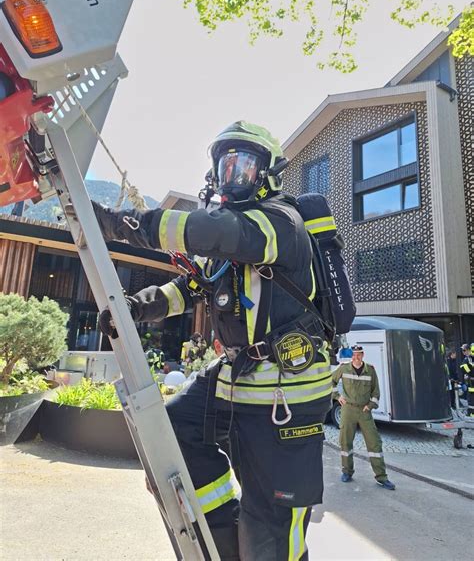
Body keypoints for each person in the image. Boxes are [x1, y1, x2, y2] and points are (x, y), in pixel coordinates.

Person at [90, 121, 333, 560]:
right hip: (239, 376)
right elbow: (195, 285)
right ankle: (223, 530)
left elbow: (208, 231)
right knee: (175, 427)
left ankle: (254, 540)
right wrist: (140, 306)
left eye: (245, 166)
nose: (233, 176)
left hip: (286, 394)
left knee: (271, 530)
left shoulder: (278, 222)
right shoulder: (237, 243)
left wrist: (118, 223)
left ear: (268, 174)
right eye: (227, 166)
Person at [332, 345, 396, 490]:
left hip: (364, 411)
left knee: (374, 443)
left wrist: (370, 406)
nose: (356, 357)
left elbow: (376, 392)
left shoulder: (370, 370)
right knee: (345, 442)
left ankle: (382, 477)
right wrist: (337, 396)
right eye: (354, 355)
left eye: (359, 354)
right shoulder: (344, 368)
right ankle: (347, 472)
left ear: (363, 355)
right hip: (348, 409)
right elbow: (331, 381)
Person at [459, 343, 474, 418]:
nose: (463, 352)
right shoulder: (469, 358)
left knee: (471, 399)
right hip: (471, 381)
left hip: (471, 382)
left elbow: (464, 368)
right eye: (462, 350)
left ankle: (471, 414)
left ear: (468, 350)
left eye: (464, 350)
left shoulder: (467, 359)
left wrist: (468, 374)